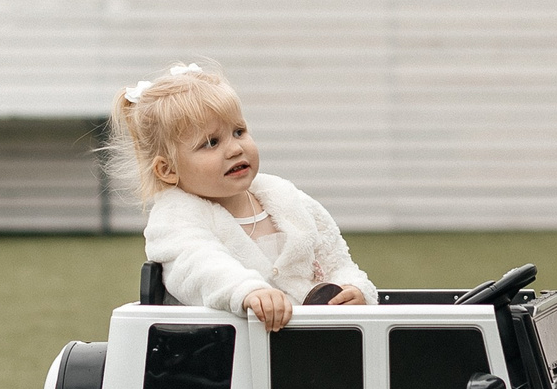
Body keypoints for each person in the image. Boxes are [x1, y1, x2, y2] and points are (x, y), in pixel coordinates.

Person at [114, 61, 375, 326]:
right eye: (211, 143)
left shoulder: (286, 198)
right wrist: (247, 290)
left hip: (314, 343)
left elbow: (334, 256)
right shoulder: (175, 218)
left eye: (239, 132)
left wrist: (352, 288)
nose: (235, 149)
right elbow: (198, 265)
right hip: (225, 352)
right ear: (168, 169)